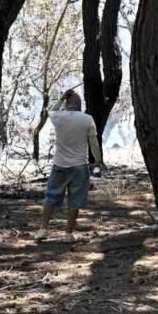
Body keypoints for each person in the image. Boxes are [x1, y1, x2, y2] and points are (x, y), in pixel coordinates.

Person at [36, 89, 103, 242]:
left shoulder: (59, 117)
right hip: (80, 166)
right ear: (80, 105)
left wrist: (61, 98)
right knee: (75, 200)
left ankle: (43, 229)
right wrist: (98, 160)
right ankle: (68, 233)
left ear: (66, 104)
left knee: (51, 197)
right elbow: (93, 142)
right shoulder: (87, 119)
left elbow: (51, 111)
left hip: (59, 164)